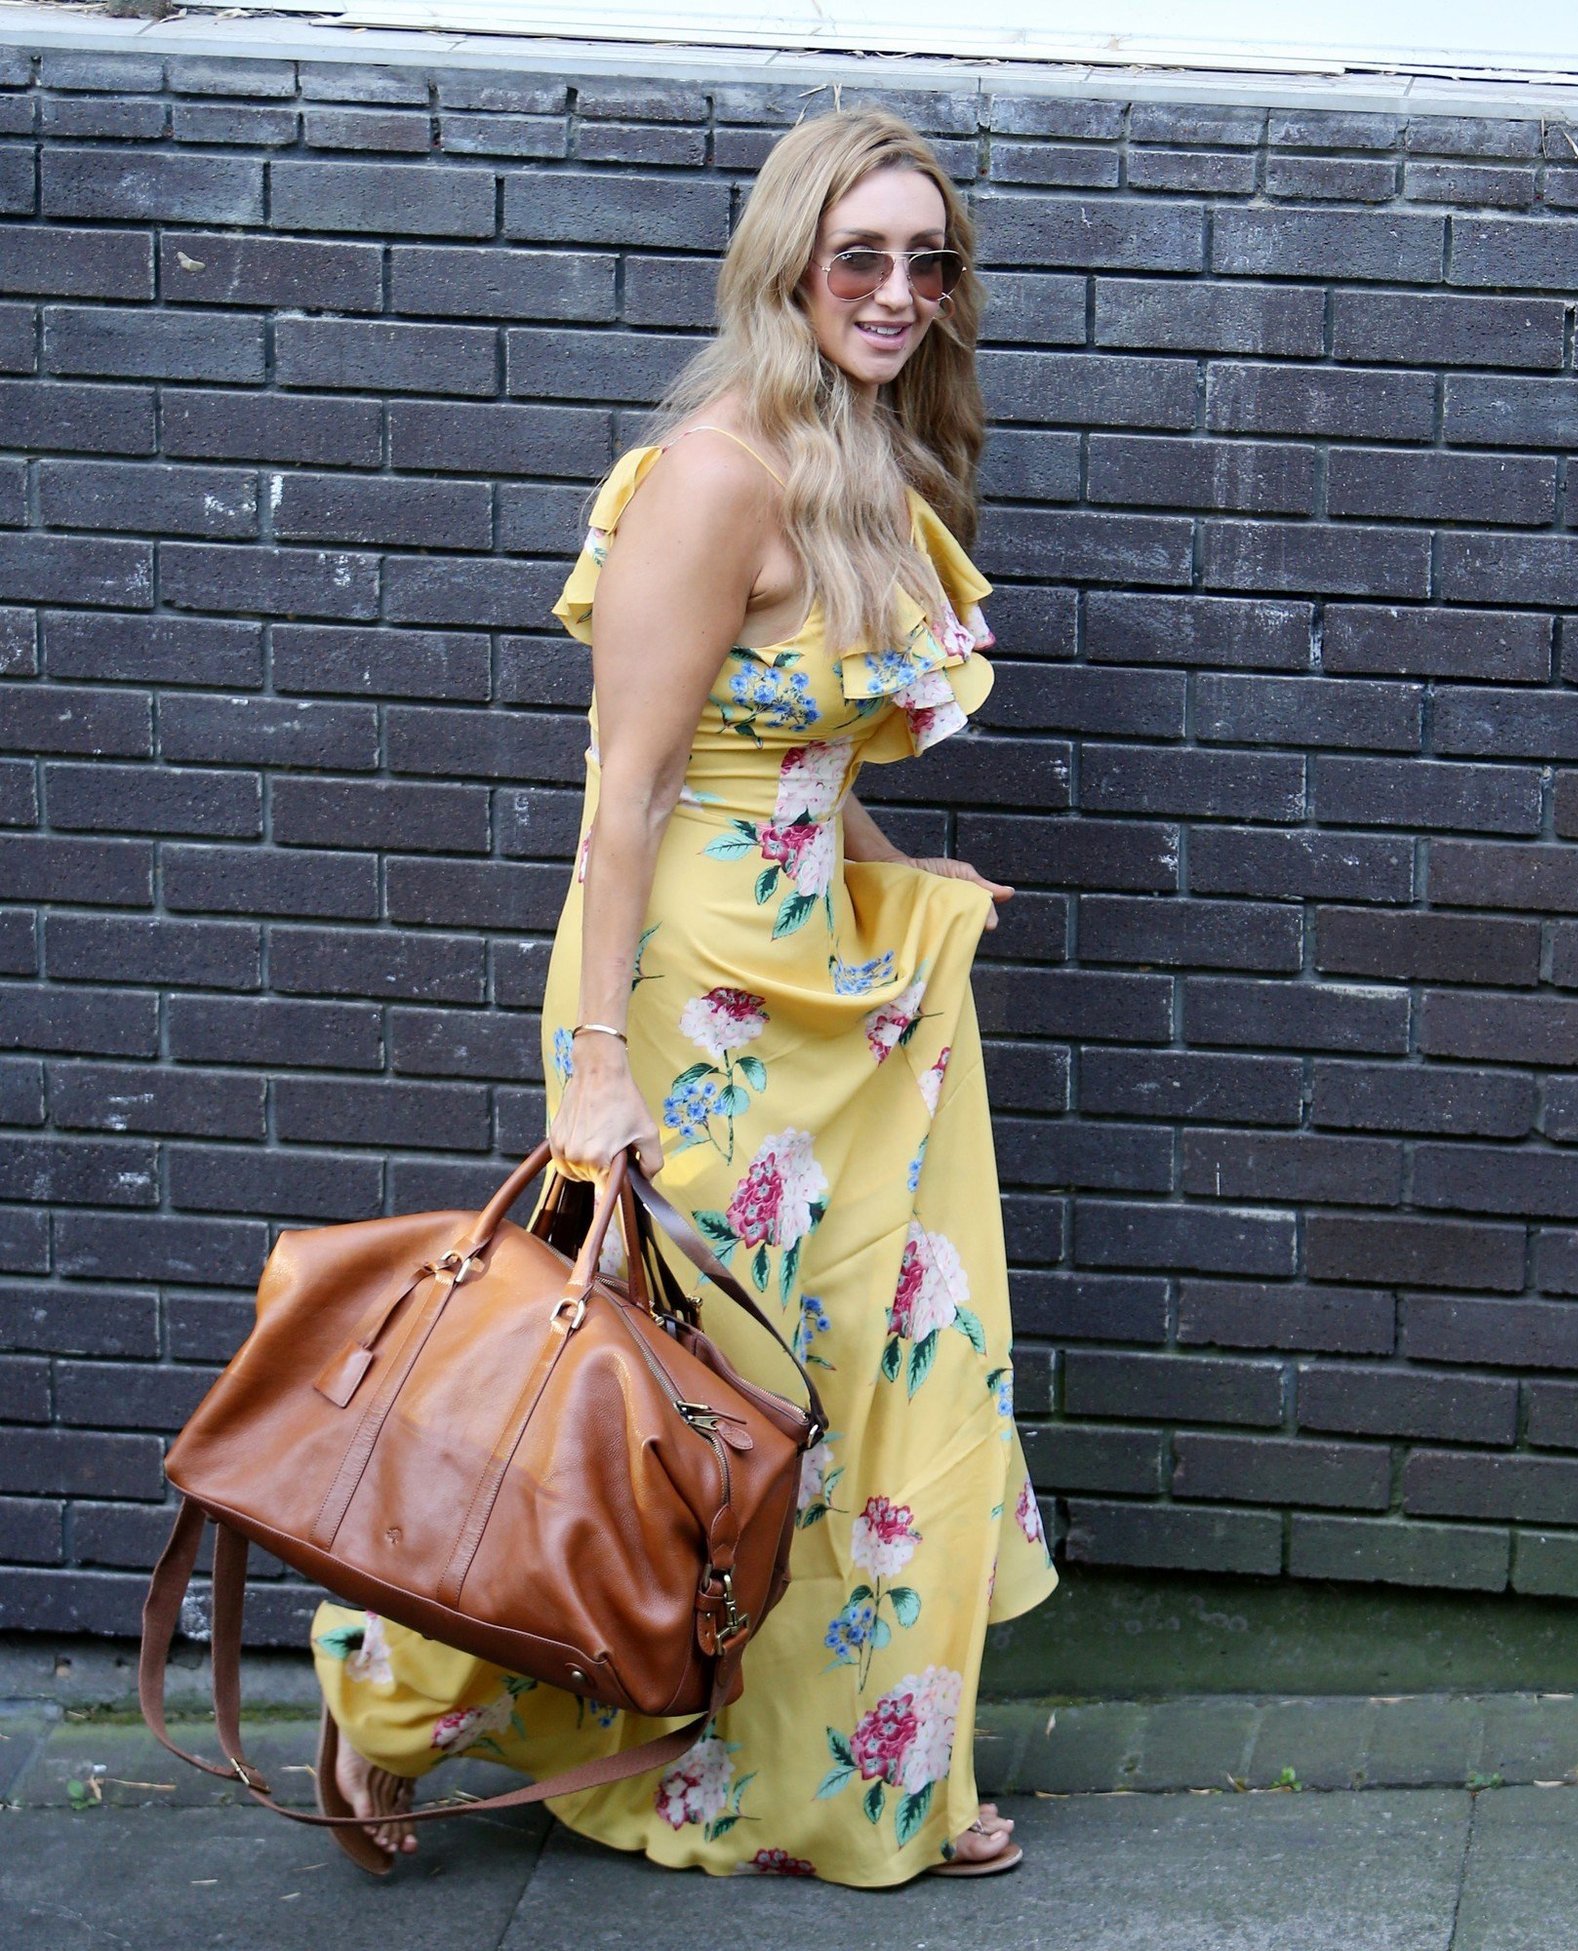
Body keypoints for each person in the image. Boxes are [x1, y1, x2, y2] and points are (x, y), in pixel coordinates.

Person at [308, 104, 1059, 1889]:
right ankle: (382, 1698)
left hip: (847, 996)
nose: (894, 289)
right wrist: (591, 1074)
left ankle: (863, 1778)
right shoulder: (718, 472)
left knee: (889, 1371)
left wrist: (891, 853)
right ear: (787, 259)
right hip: (693, 1003)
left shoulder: (861, 456)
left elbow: (787, 728)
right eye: (858, 254)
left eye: (924, 258)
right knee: (661, 1394)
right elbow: (626, 788)